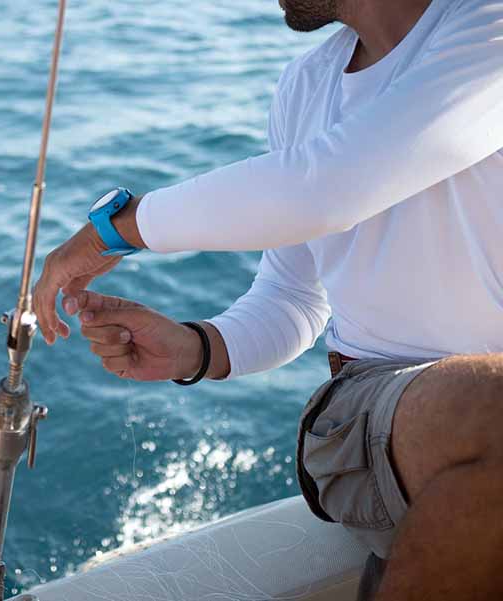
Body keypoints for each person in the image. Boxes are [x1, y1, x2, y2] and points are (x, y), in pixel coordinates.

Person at [33, 0, 503, 598]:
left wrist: (113, 231)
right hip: (364, 411)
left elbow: (325, 186)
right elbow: (292, 294)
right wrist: (197, 347)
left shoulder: (490, 29)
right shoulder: (306, 86)